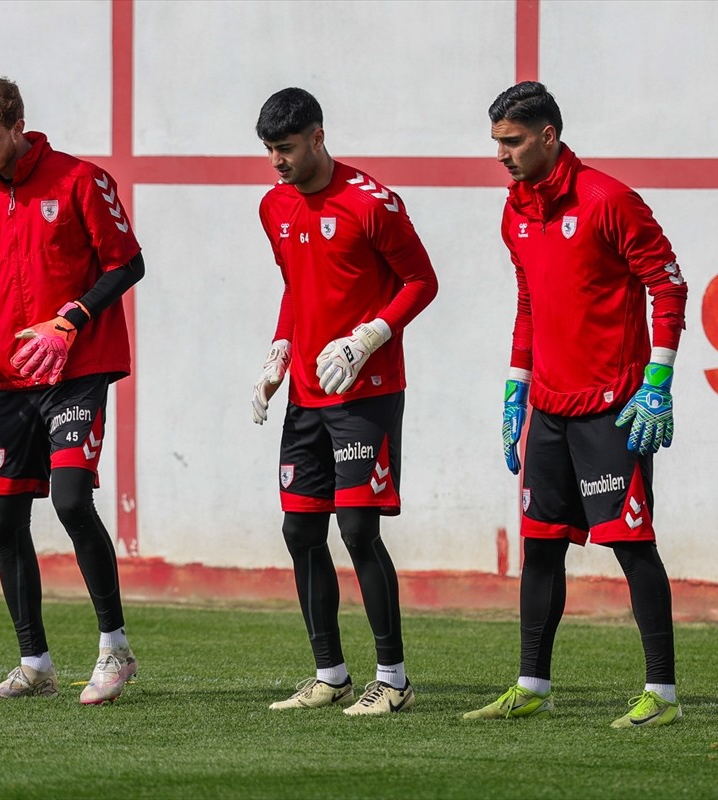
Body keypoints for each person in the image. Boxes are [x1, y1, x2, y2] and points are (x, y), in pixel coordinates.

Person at [464, 82, 688, 728]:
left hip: (614, 408)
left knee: (632, 546)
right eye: (496, 143)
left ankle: (662, 694)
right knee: (540, 548)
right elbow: (529, 304)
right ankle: (532, 685)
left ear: (549, 136)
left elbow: (668, 286)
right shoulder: (514, 211)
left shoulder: (608, 200)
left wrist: (657, 381)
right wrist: (516, 388)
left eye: (512, 142)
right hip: (549, 410)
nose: (501, 155)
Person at [0, 72, 145, 705]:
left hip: (77, 368)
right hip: (12, 375)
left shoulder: (80, 181)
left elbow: (128, 262)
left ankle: (115, 650)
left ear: (18, 127)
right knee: (3, 515)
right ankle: (35, 665)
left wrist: (69, 320)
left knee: (72, 500)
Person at [250, 88, 438, 716]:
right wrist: (279, 350)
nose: (276, 161)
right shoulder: (273, 206)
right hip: (307, 394)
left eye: (285, 148)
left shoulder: (371, 203)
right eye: (268, 150)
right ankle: (330, 675)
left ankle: (394, 681)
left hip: (366, 393)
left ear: (318, 137)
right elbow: (295, 286)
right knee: (300, 529)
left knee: (358, 529)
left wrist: (369, 337)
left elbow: (422, 281)